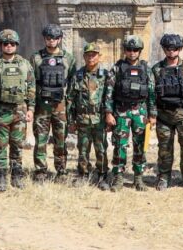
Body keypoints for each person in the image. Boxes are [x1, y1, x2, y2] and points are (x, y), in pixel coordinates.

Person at [0, 29, 35, 191]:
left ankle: (16, 176)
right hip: (0, 111)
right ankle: (1, 177)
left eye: (12, 43)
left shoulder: (25, 64)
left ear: (16, 45)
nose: (9, 46)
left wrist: (31, 109)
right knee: (0, 145)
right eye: (5, 43)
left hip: (20, 110)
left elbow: (31, 87)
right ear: (0, 45)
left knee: (17, 144)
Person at [151, 33, 183, 190]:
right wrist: (152, 114)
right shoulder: (156, 69)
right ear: (164, 49)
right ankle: (164, 177)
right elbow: (151, 94)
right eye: (168, 48)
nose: (171, 51)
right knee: (164, 148)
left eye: (175, 48)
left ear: (180, 49)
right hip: (163, 116)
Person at [109, 35, 157, 192]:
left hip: (140, 112)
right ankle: (118, 178)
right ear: (125, 51)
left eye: (135, 50)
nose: (132, 52)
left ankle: (138, 178)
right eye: (129, 49)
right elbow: (109, 92)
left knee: (140, 145)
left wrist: (152, 114)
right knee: (119, 145)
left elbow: (152, 93)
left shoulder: (146, 69)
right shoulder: (117, 68)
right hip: (121, 111)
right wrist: (108, 113)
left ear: (140, 51)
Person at [30, 24, 76, 183]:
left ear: (60, 39)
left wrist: (70, 105)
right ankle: (40, 171)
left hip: (60, 107)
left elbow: (72, 83)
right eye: (49, 38)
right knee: (40, 141)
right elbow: (31, 83)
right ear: (44, 38)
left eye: (55, 38)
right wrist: (31, 106)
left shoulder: (68, 58)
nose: (51, 41)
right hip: (41, 107)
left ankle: (61, 171)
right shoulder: (36, 57)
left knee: (60, 141)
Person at [67, 43, 115, 189]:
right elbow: (70, 99)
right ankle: (83, 174)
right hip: (82, 119)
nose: (91, 58)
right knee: (83, 149)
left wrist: (109, 116)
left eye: (94, 55)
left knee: (101, 149)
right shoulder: (78, 76)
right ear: (84, 57)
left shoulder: (106, 75)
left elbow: (110, 97)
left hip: (99, 119)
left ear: (99, 56)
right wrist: (71, 121)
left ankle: (102, 175)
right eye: (88, 55)